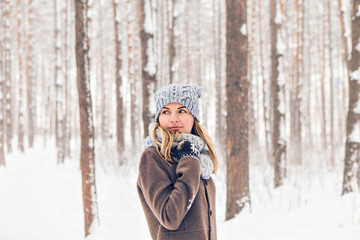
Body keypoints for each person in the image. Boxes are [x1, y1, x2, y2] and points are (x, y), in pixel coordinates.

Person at [137, 83, 218, 240]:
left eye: (182, 111)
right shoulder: (153, 157)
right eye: (166, 112)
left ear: (194, 117)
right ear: (159, 118)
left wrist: (192, 158)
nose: (173, 119)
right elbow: (170, 218)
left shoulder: (201, 158)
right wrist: (189, 160)